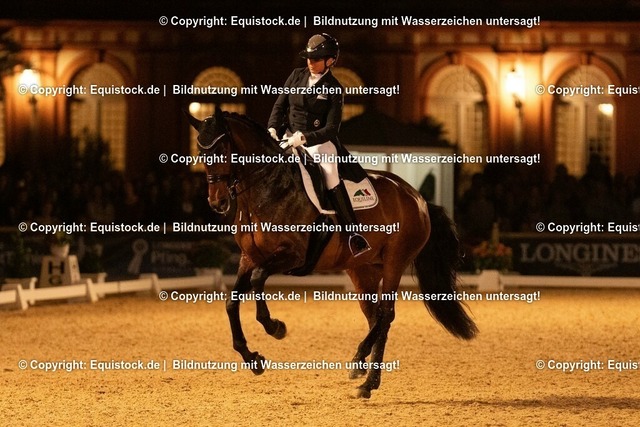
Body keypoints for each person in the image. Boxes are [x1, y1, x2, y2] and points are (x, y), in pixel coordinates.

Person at [267, 33, 371, 257]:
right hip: (288, 136)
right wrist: (273, 128)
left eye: (316, 59)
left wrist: (304, 138)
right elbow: (279, 105)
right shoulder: (296, 75)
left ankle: (353, 233)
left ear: (330, 60)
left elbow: (331, 128)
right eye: (309, 58)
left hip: (318, 142)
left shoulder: (334, 88)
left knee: (330, 174)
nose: (310, 63)